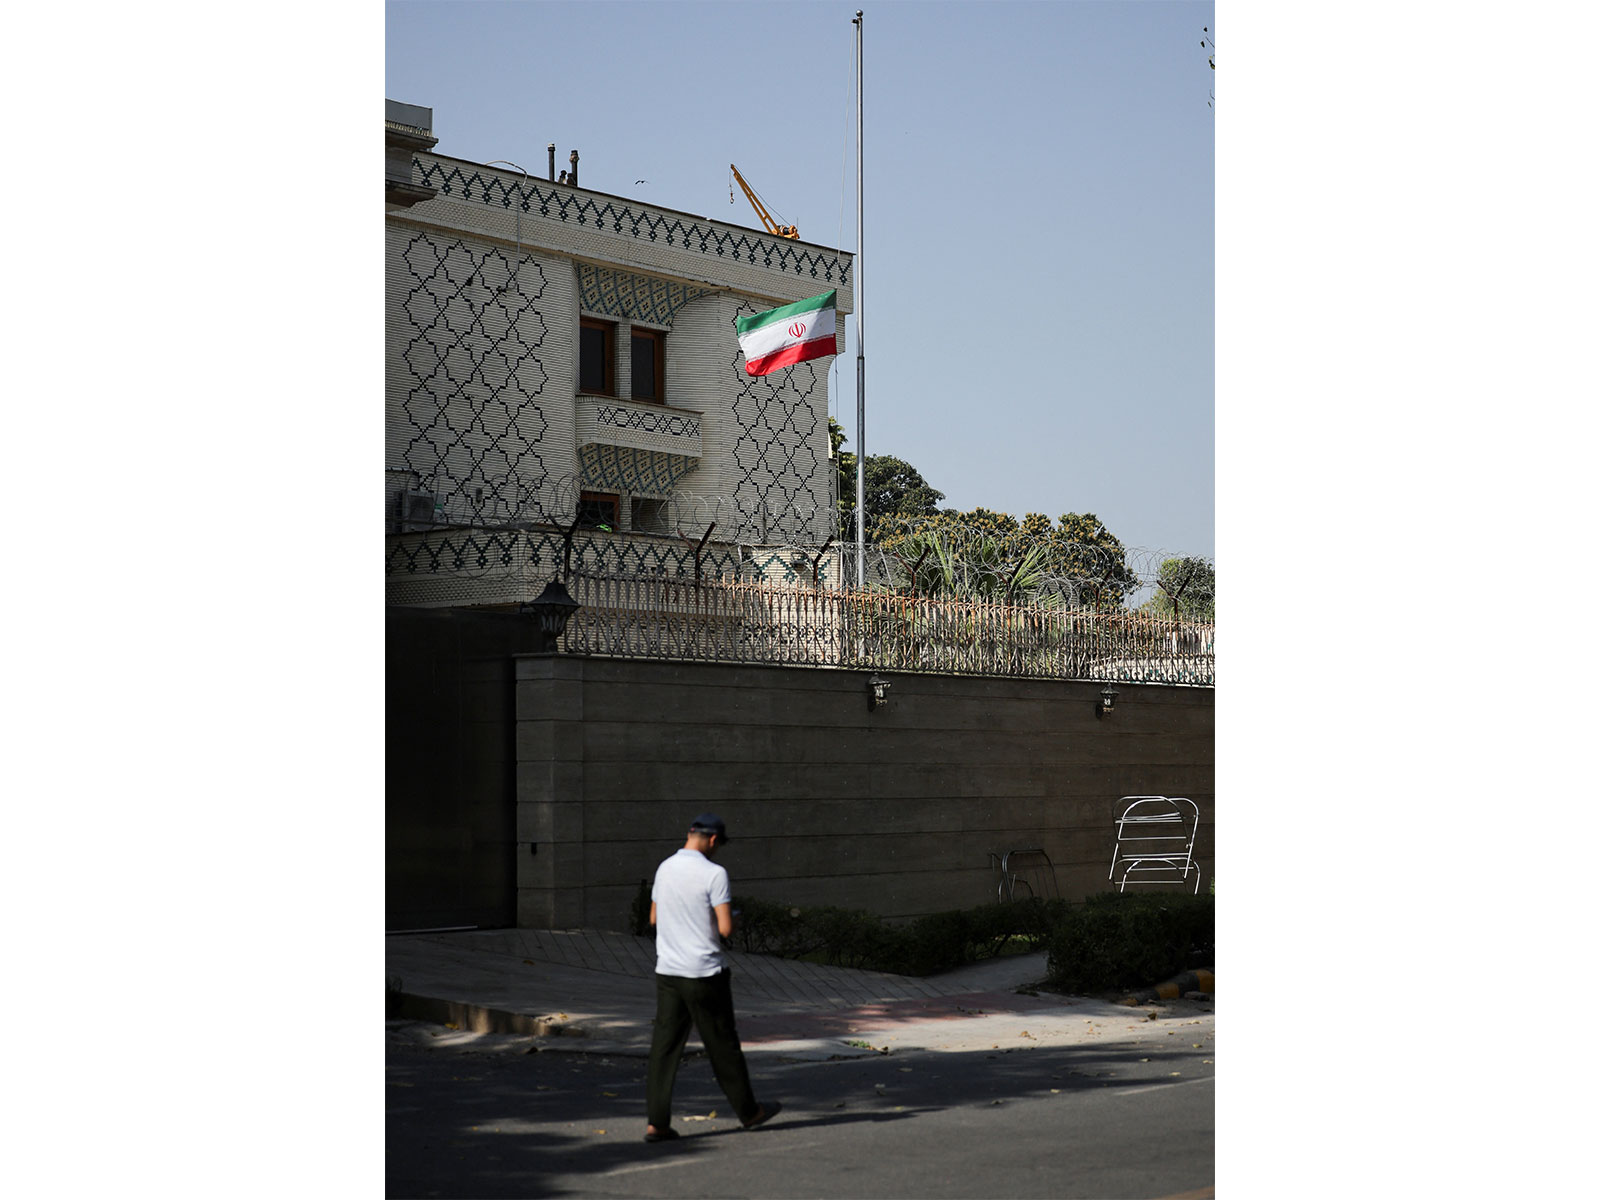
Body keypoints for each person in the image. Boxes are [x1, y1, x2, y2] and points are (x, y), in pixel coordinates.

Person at [644, 813, 781, 1143]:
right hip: (704, 972)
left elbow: (653, 918)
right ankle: (749, 1112)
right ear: (714, 840)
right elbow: (725, 928)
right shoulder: (714, 874)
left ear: (689, 834)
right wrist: (726, 913)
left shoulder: (665, 867)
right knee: (722, 1044)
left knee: (664, 1047)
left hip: (668, 971)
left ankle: (657, 1122)